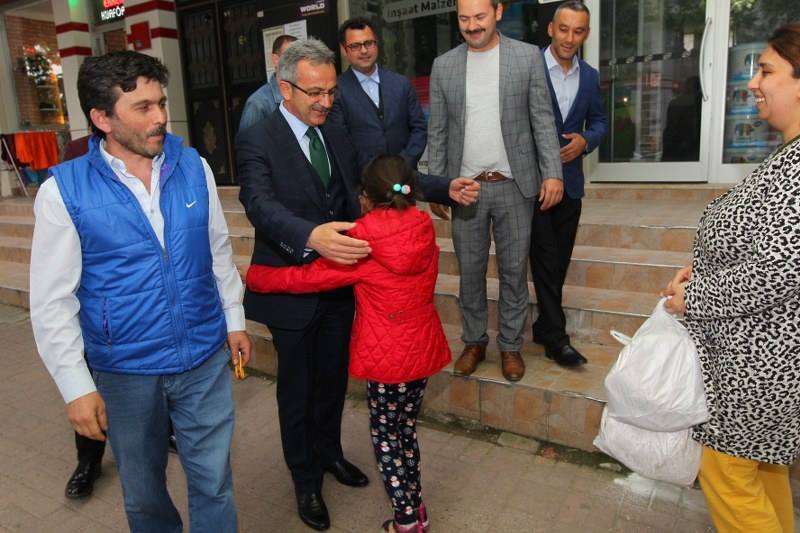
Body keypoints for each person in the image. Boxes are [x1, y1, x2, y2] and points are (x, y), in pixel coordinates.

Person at [235, 38, 478, 531]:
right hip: (294, 282)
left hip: (345, 282)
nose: (326, 102)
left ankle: (330, 454)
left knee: (331, 381)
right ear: (285, 88)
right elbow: (258, 203)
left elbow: (382, 174)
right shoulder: (258, 137)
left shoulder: (334, 132)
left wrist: (441, 186)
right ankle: (305, 480)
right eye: (316, 93)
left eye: (331, 92)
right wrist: (310, 236)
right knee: (297, 392)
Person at [30, 51, 251, 533]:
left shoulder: (193, 166)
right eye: (143, 107)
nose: (160, 118)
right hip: (126, 371)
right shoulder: (63, 192)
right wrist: (76, 387)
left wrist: (233, 318)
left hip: (203, 358)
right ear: (101, 118)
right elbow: (52, 303)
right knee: (145, 494)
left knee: (214, 482)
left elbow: (217, 249)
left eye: (161, 103)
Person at [246, 154, 450, 533]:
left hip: (388, 360)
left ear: (365, 197)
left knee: (385, 439)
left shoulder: (365, 242)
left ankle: (406, 521)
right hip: (422, 350)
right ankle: (416, 506)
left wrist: (259, 277)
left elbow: (309, 278)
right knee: (406, 430)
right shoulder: (422, 227)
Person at [662, 22, 800, 533]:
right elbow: (766, 246)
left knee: (726, 470)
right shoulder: (788, 154)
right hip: (757, 357)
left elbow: (776, 270)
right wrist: (708, 267)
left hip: (762, 363)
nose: (753, 82)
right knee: (761, 470)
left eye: (767, 71)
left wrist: (693, 296)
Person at [427, 0, 562, 382]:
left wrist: (553, 173)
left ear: (498, 12)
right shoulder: (444, 66)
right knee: (470, 272)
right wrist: (437, 185)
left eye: (480, 17)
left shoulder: (526, 58)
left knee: (514, 271)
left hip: (514, 186)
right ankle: (474, 342)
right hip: (465, 188)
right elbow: (438, 131)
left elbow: (542, 120)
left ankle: (510, 345)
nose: (472, 25)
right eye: (464, 18)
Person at [530, 1, 608, 368]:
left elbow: (600, 121)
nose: (569, 38)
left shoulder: (590, 76)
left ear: (586, 34)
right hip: (535, 184)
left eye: (578, 31)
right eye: (563, 29)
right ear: (551, 28)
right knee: (545, 259)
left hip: (572, 183)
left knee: (558, 262)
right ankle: (557, 340)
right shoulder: (529, 67)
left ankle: (543, 325)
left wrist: (585, 141)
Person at [328, 17, 427, 169]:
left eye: (368, 43)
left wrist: (403, 164)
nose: (364, 50)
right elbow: (341, 141)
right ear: (344, 50)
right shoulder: (334, 90)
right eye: (355, 46)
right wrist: (376, 172)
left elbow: (419, 128)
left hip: (406, 174)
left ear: (377, 44)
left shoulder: (401, 83)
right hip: (363, 178)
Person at [238, 34, 298, 132]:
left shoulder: (303, 94)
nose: (296, 63)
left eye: (299, 58)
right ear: (275, 60)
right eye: (290, 57)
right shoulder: (258, 103)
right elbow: (247, 140)